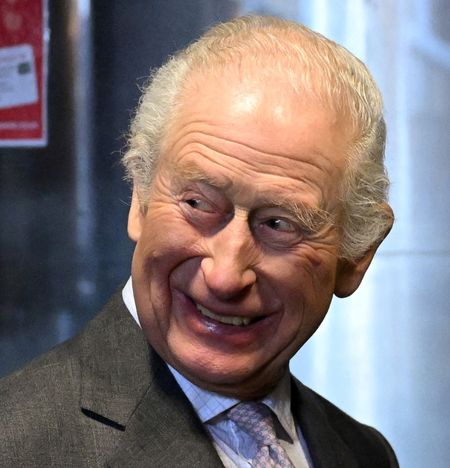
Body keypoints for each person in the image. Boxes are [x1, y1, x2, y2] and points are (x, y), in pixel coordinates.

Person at [0, 15, 397, 467]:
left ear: (356, 257)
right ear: (139, 197)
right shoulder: (18, 446)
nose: (225, 276)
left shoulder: (365, 453)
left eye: (279, 225)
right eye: (197, 203)